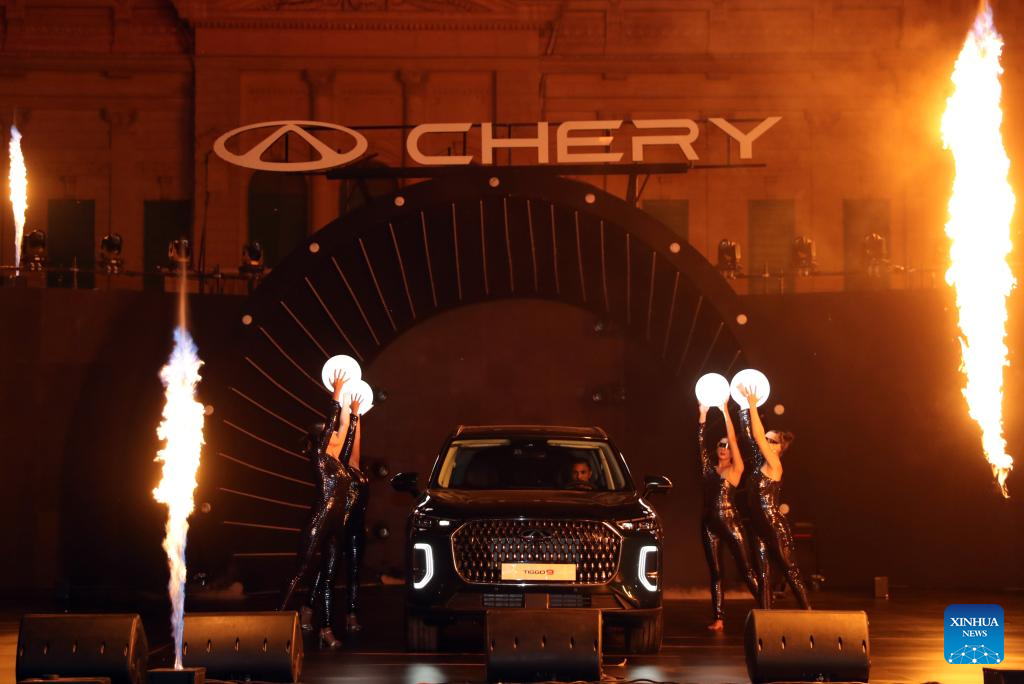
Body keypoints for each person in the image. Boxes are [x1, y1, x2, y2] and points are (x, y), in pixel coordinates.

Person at [279, 370, 361, 649]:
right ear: (322, 440)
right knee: (300, 570)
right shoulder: (320, 459)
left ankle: (325, 629)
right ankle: (274, 620)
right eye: (331, 433)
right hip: (319, 521)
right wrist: (336, 394)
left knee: (328, 577)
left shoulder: (339, 463)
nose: (336, 433)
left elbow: (348, 437)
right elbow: (330, 426)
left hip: (336, 525)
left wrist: (355, 413)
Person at [736, 385, 810, 610]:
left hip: (774, 526)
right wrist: (743, 408)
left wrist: (752, 405)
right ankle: (765, 617)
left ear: (779, 448)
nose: (767, 443)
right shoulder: (759, 465)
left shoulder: (775, 464)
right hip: (759, 526)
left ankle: (809, 612)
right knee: (763, 574)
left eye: (772, 441)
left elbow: (758, 436)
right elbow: (750, 436)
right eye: (767, 440)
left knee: (790, 570)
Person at [698, 401, 761, 631]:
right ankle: (719, 618)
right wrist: (703, 416)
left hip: (730, 521)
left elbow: (733, 440)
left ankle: (768, 609)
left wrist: (725, 412)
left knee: (746, 569)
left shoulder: (736, 469)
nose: (724, 448)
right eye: (720, 445)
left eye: (727, 445)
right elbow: (700, 444)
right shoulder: (708, 468)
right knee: (716, 572)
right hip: (709, 524)